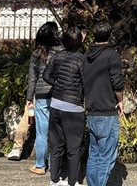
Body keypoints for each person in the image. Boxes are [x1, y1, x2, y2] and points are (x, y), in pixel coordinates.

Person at [43, 26, 86, 186]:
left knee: (56, 146)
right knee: (73, 148)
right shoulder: (82, 59)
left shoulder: (57, 56)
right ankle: (73, 182)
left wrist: (57, 84)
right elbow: (86, 82)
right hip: (74, 107)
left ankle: (54, 180)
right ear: (79, 41)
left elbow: (46, 75)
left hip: (56, 104)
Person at [84, 20, 124, 186]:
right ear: (110, 35)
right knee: (106, 157)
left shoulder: (87, 55)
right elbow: (117, 82)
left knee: (94, 155)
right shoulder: (111, 54)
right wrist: (120, 100)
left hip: (92, 111)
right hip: (107, 111)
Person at [22, 21, 62, 175]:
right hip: (59, 95)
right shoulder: (62, 52)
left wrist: (29, 98)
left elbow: (32, 78)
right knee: (56, 132)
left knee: (41, 133)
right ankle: (54, 165)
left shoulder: (37, 54)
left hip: (42, 96)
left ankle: (40, 165)